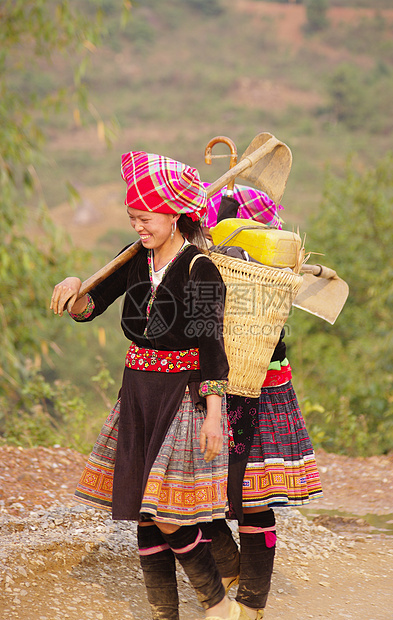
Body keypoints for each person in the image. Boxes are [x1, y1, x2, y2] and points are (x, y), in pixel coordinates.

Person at [50, 151, 243, 620]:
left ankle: (218, 603)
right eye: (133, 218)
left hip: (182, 395)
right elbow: (88, 306)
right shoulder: (134, 257)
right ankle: (164, 612)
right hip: (137, 391)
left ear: (174, 213)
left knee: (172, 515)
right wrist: (75, 285)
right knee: (144, 511)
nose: (139, 227)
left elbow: (212, 346)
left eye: (146, 218)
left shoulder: (199, 269)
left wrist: (214, 415)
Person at [200, 185, 323, 620]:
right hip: (211, 382)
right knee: (197, 487)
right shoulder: (205, 264)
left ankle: (252, 602)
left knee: (253, 494)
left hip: (261, 384)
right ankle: (231, 569)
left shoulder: (269, 270)